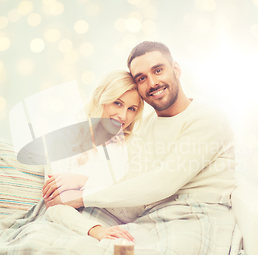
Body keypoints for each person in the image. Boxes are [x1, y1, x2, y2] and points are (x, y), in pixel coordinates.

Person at [44, 41, 237, 214]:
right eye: (141, 78)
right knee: (116, 249)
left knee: (122, 251)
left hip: (199, 214)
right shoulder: (145, 125)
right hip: (153, 218)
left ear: (176, 69)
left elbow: (163, 182)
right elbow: (131, 180)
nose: (152, 83)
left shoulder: (207, 119)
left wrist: (81, 195)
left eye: (158, 70)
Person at [42, 70, 146, 242]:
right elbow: (53, 205)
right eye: (117, 103)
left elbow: (134, 208)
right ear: (101, 100)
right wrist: (94, 230)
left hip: (115, 228)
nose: (123, 116)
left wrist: (83, 182)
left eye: (131, 109)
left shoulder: (134, 146)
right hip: (64, 224)